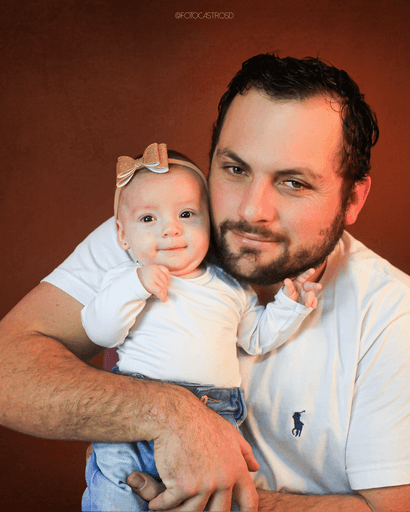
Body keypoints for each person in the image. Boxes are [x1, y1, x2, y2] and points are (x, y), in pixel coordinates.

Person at [1, 53, 410, 512]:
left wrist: (218, 500)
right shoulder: (158, 233)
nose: (251, 210)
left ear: (352, 198)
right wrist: (170, 414)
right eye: (235, 169)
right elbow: (7, 369)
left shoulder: (392, 316)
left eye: (293, 183)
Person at [81, 142, 320, 511]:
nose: (170, 230)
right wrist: (136, 286)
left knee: (207, 500)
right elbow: (101, 333)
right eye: (148, 219)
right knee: (115, 492)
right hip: (134, 408)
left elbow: (255, 339)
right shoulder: (124, 278)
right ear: (122, 233)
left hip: (215, 414)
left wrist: (291, 306)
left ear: (209, 222)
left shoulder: (230, 285)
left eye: (187, 214)